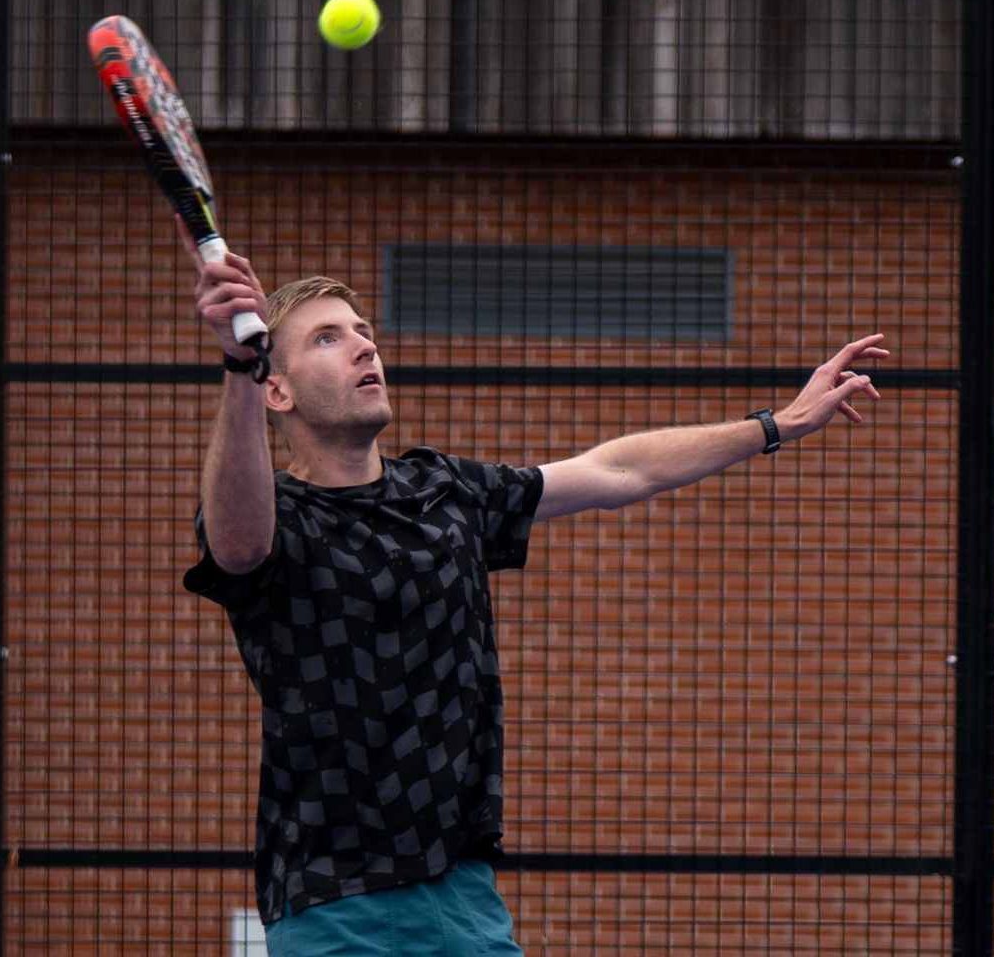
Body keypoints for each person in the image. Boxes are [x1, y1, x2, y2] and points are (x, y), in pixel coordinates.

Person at [181, 239, 888, 956]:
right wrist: (240, 365)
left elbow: (618, 471)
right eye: (328, 339)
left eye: (365, 333)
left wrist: (779, 425)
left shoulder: (444, 491)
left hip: (464, 897)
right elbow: (237, 543)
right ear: (279, 389)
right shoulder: (279, 517)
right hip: (333, 903)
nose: (365, 349)